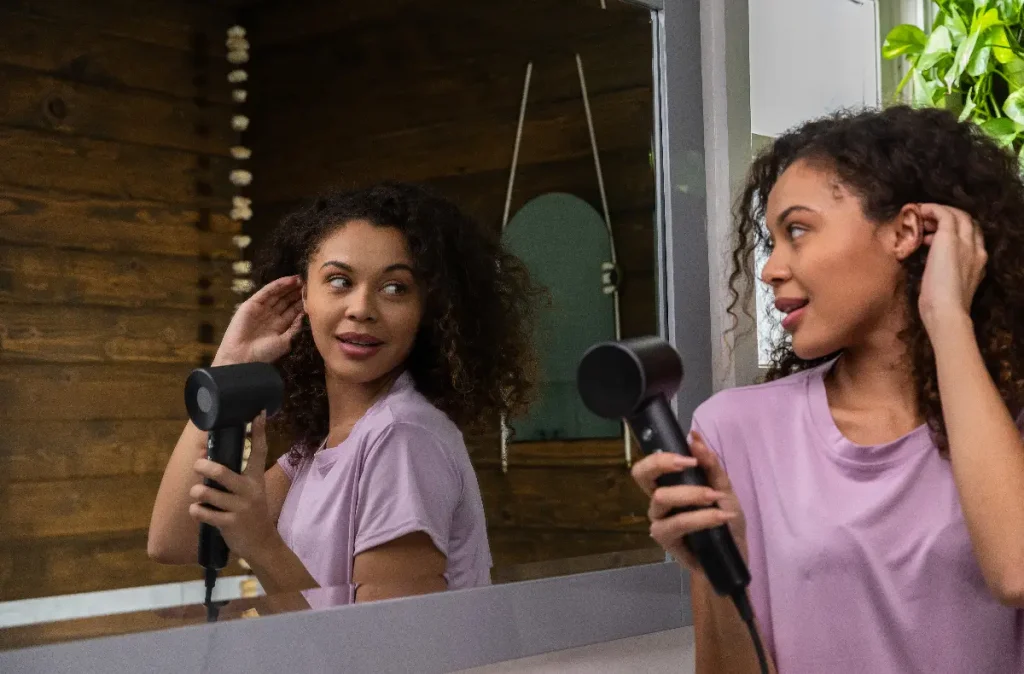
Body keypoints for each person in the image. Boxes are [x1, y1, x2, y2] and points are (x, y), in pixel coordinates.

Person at [632, 106, 1024, 673]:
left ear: (906, 232)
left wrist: (946, 315)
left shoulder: (1008, 422)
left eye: (797, 230)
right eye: (771, 240)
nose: (769, 269)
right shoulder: (733, 433)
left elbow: (1015, 569)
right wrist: (720, 565)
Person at [148, 182, 542, 602]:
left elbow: (381, 653)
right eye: (339, 281)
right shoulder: (320, 448)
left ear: (428, 310)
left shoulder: (402, 438)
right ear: (303, 295)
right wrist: (226, 370)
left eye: (395, 288)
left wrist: (262, 544)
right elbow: (175, 542)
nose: (361, 308)